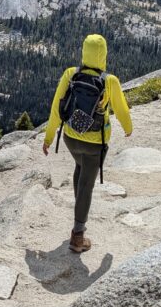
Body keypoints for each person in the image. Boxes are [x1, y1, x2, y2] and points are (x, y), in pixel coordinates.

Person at [41, 34, 132, 253]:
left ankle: (79, 206)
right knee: (86, 184)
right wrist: (128, 129)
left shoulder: (70, 74)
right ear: (103, 55)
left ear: (84, 51)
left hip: (70, 138)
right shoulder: (109, 81)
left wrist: (48, 137)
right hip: (95, 144)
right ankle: (78, 236)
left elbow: (56, 107)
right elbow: (121, 110)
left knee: (79, 168)